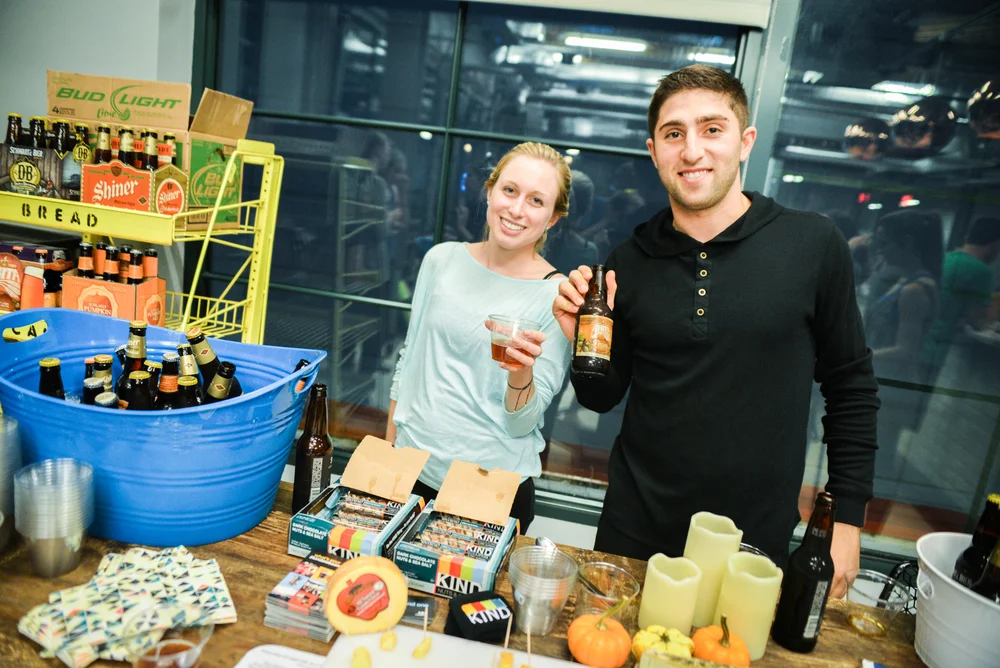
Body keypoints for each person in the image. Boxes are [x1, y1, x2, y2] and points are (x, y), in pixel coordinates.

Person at [552, 65, 879, 597]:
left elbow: (851, 387)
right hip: (634, 528)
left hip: (751, 539)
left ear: (745, 141)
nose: (692, 150)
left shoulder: (812, 245)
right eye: (674, 133)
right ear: (654, 150)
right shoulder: (627, 261)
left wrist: (846, 520)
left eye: (712, 129)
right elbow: (601, 398)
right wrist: (580, 342)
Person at [387, 142, 573, 532]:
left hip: (491, 488)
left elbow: (524, 423)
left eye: (536, 200)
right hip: (410, 471)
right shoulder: (441, 259)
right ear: (489, 191)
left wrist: (520, 373)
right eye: (510, 190)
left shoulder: (556, 295)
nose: (517, 209)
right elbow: (408, 362)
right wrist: (390, 457)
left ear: (552, 219)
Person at [921, 217, 1000, 372]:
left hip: (921, 339)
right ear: (995, 243)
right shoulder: (981, 271)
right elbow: (977, 321)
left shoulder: (946, 258)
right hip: (938, 349)